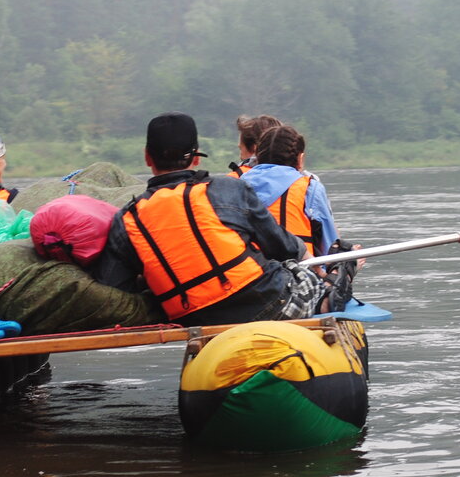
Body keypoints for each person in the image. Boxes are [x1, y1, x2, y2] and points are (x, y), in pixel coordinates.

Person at [92, 111, 325, 326]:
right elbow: (281, 245)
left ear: (147, 157)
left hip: (194, 318)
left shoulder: (127, 219)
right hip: (267, 304)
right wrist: (311, 261)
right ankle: (332, 289)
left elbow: (115, 286)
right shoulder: (228, 189)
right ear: (196, 158)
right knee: (312, 279)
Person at [240, 124, 340, 258]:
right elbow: (330, 244)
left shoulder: (237, 185)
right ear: (300, 159)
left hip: (252, 272)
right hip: (301, 273)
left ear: (257, 156)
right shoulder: (310, 188)